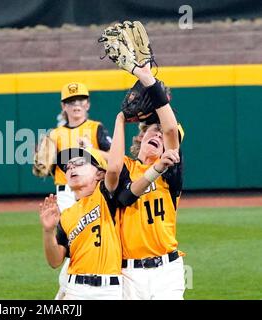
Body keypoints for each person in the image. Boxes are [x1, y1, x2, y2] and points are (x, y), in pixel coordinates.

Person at [38, 109, 179, 299]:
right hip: (75, 288)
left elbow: (113, 168)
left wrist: (121, 119)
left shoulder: (107, 196)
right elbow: (55, 261)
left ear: (98, 173)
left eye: (79, 162)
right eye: (67, 166)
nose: (71, 167)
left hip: (109, 290)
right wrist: (47, 232)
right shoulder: (67, 216)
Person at [39, 82, 112, 299]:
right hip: (64, 194)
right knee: (71, 241)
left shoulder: (96, 128)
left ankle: (68, 290)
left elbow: (114, 162)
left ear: (88, 103)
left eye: (80, 100)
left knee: (86, 240)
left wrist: (93, 149)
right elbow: (44, 168)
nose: (76, 105)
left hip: (92, 191)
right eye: (71, 101)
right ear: (64, 106)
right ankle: (70, 289)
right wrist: (41, 164)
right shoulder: (55, 134)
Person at [119, 64, 186, 300]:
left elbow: (170, 129)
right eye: (153, 129)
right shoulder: (124, 167)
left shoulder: (171, 172)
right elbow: (125, 197)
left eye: (164, 134)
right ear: (141, 134)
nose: (159, 134)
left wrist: (148, 79)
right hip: (128, 273)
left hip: (167, 271)